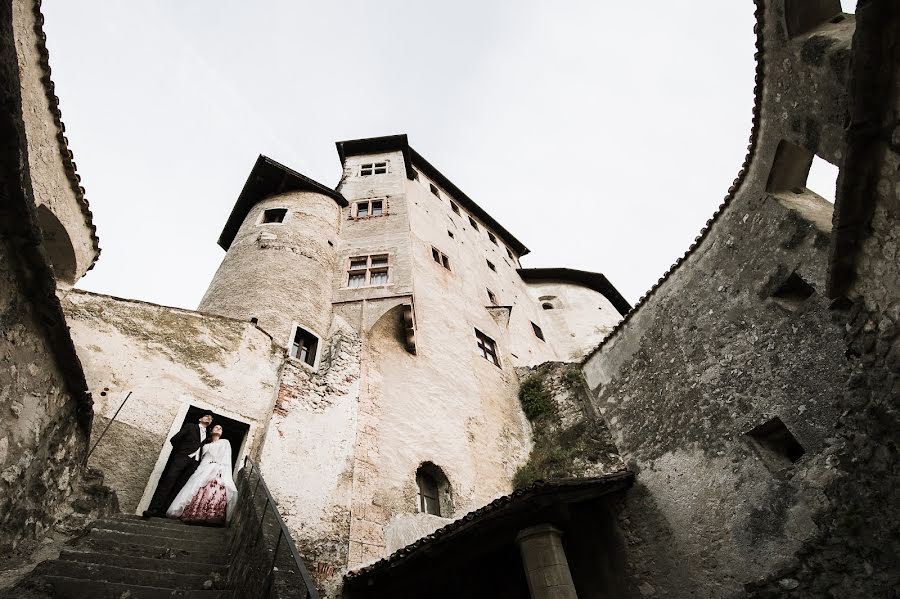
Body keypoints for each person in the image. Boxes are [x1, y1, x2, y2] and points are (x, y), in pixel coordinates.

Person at [143, 413, 213, 518]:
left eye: (211, 418)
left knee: (181, 487)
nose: (209, 418)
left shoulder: (208, 436)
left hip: (193, 464)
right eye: (206, 416)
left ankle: (166, 512)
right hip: (181, 458)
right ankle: (153, 509)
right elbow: (174, 439)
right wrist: (180, 453)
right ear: (200, 418)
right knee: (168, 482)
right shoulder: (190, 426)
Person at [166, 424, 237, 524]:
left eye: (221, 428)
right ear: (211, 431)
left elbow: (226, 458)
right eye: (216, 427)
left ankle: (211, 516)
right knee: (195, 488)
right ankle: (194, 514)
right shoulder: (205, 446)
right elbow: (202, 459)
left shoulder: (225, 442)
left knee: (214, 489)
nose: (219, 429)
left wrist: (221, 470)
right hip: (204, 468)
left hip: (217, 469)